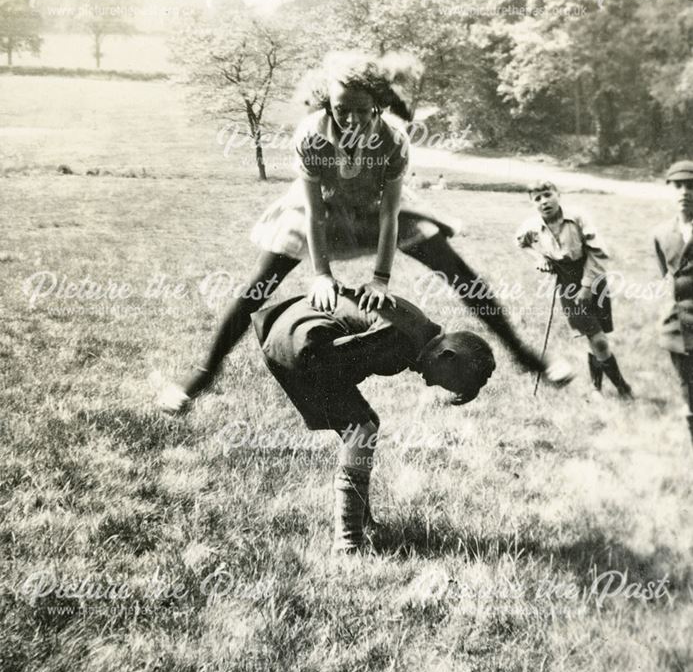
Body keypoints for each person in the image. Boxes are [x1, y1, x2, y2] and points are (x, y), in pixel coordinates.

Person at [159, 52, 569, 414]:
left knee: (457, 270)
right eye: (341, 110)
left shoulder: (393, 139)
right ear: (327, 105)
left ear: (378, 105)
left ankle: (526, 355)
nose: (351, 120)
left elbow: (391, 215)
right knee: (258, 286)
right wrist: (322, 275)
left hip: (373, 213)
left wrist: (380, 278)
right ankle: (202, 374)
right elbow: (316, 212)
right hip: (322, 212)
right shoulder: (312, 136)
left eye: (362, 110)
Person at [251, 287, 496, 552]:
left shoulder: (416, 328)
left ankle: (363, 521)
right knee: (361, 432)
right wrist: (354, 423)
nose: (431, 384)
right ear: (446, 356)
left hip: (294, 332)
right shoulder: (401, 340)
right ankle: (348, 543)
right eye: (446, 381)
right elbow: (336, 362)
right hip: (301, 342)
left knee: (366, 425)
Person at [516, 180, 633, 398]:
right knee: (597, 338)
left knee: (598, 337)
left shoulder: (577, 217)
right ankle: (622, 388)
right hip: (567, 284)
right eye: (537, 198)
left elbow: (597, 252)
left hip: (593, 278)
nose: (544, 201)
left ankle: (596, 388)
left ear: (558, 194)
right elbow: (520, 242)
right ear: (532, 203)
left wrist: (587, 286)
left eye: (547, 195)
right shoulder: (533, 225)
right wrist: (539, 257)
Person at [653, 160, 693, 446]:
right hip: (677, 325)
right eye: (678, 186)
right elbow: (665, 277)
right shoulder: (661, 233)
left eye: (691, 186)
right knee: (687, 389)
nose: (684, 192)